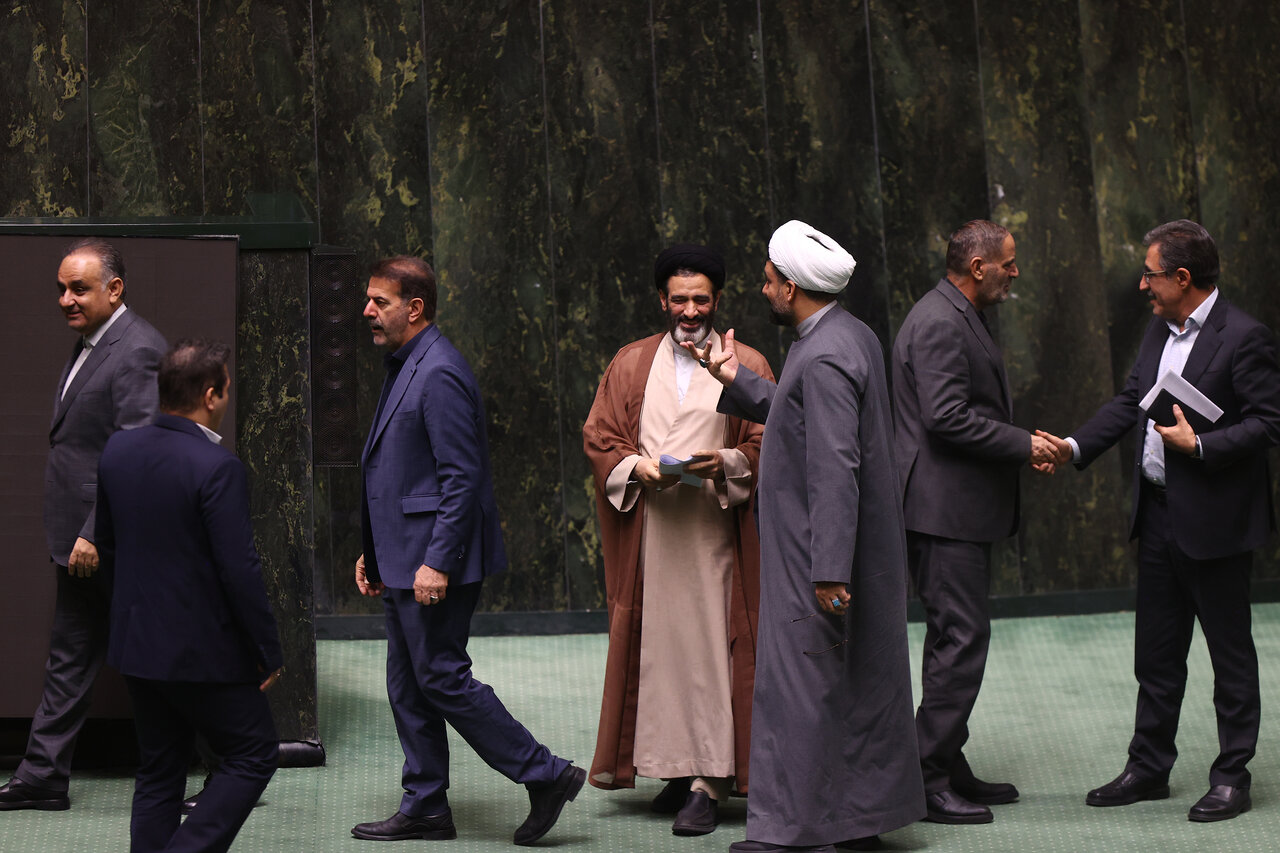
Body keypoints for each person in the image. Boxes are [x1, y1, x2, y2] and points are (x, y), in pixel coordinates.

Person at [693, 220, 924, 852]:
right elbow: (798, 414)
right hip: (848, 550)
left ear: (792, 289)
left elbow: (833, 467)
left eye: (769, 281)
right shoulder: (848, 334)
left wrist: (827, 570)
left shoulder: (822, 355)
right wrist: (733, 377)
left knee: (801, 686)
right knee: (857, 685)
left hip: (815, 555)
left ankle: (793, 832)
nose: (764, 289)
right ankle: (857, 823)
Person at [1038, 219, 1280, 822]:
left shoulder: (1244, 336)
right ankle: (1148, 768)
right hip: (1158, 517)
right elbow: (1131, 401)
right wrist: (1073, 446)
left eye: (1149, 275)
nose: (1142, 285)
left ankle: (1231, 776)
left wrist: (1200, 446)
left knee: (1229, 657)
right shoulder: (1157, 329)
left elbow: (1270, 422)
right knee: (1156, 655)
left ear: (1182, 277)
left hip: (1217, 526)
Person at [352, 256, 583, 845]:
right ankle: (426, 804)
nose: (367, 311)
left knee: (441, 677)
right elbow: (400, 472)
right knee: (409, 685)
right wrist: (374, 552)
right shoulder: (407, 363)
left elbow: (461, 478)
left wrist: (437, 562)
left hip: (434, 560)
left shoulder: (439, 371)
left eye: (380, 302)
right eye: (369, 299)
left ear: (415, 308)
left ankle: (546, 774)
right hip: (403, 555)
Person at [583, 244, 773, 836]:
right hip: (652, 535)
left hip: (718, 536)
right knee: (660, 656)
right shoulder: (631, 362)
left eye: (701, 300)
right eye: (679, 299)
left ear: (717, 300)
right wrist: (637, 467)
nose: (690, 310)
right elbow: (601, 437)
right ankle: (674, 766)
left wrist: (730, 462)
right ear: (662, 300)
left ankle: (709, 780)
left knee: (713, 654)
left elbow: (773, 440)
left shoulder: (748, 362)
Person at [891, 221, 1056, 824]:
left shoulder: (957, 311)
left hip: (952, 510)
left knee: (950, 638)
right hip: (943, 513)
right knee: (961, 639)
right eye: (1008, 263)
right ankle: (927, 777)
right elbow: (947, 417)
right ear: (978, 267)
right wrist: (1022, 445)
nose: (1015, 272)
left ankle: (945, 759)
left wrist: (1018, 443)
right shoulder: (940, 321)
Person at [96, 339, 283, 852]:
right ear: (210, 394)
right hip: (202, 653)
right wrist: (266, 649)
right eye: (226, 388)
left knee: (160, 769)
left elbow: (107, 549)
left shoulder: (118, 451)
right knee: (255, 753)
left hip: (136, 644)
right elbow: (239, 570)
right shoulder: (217, 466)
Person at [0, 239, 167, 812]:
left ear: (114, 289)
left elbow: (136, 451)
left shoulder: (138, 349)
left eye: (79, 288)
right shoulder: (93, 343)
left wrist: (96, 530)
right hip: (79, 543)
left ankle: (232, 764)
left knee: (158, 659)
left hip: (111, 542)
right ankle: (43, 776)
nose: (65, 300)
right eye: (61, 289)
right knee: (69, 658)